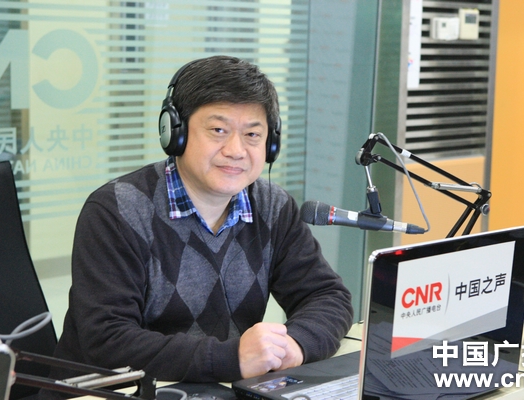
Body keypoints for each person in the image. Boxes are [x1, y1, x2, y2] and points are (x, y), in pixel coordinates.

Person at [49, 55, 354, 384]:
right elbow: (108, 340)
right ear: (175, 132)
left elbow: (327, 296)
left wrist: (297, 345)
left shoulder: (272, 206)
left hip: (214, 388)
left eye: (253, 135)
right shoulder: (117, 210)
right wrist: (231, 359)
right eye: (218, 130)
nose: (236, 150)